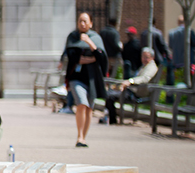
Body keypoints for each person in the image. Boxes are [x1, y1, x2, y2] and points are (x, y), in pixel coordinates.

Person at [58, 12, 107, 147]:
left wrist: (89, 42)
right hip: (75, 78)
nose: (82, 24)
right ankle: (79, 136)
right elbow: (73, 58)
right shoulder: (73, 37)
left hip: (92, 78)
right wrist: (92, 59)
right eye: (80, 21)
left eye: (85, 21)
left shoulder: (95, 38)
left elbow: (101, 57)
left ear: (91, 23)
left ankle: (83, 137)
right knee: (81, 104)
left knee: (89, 108)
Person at [106, 47, 160, 122]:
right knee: (109, 93)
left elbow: (144, 79)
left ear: (152, 57)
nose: (144, 59)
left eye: (146, 57)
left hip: (139, 93)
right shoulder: (145, 66)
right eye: (143, 57)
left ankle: (113, 120)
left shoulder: (152, 67)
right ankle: (110, 118)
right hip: (134, 90)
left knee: (110, 97)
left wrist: (130, 81)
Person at [166, 15, 195, 86]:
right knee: (190, 84)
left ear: (178, 22)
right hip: (188, 63)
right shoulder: (189, 32)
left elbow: (170, 46)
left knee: (178, 82)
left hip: (176, 63)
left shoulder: (171, 33)